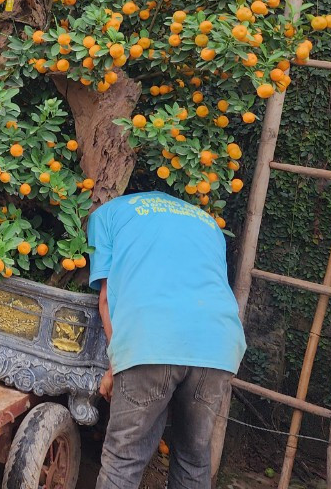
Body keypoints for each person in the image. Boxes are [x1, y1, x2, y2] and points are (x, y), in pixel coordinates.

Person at [88, 190, 246, 489]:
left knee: (124, 459)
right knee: (193, 459)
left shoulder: (105, 215)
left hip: (150, 337)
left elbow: (107, 300)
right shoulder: (208, 222)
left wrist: (114, 367)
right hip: (218, 344)